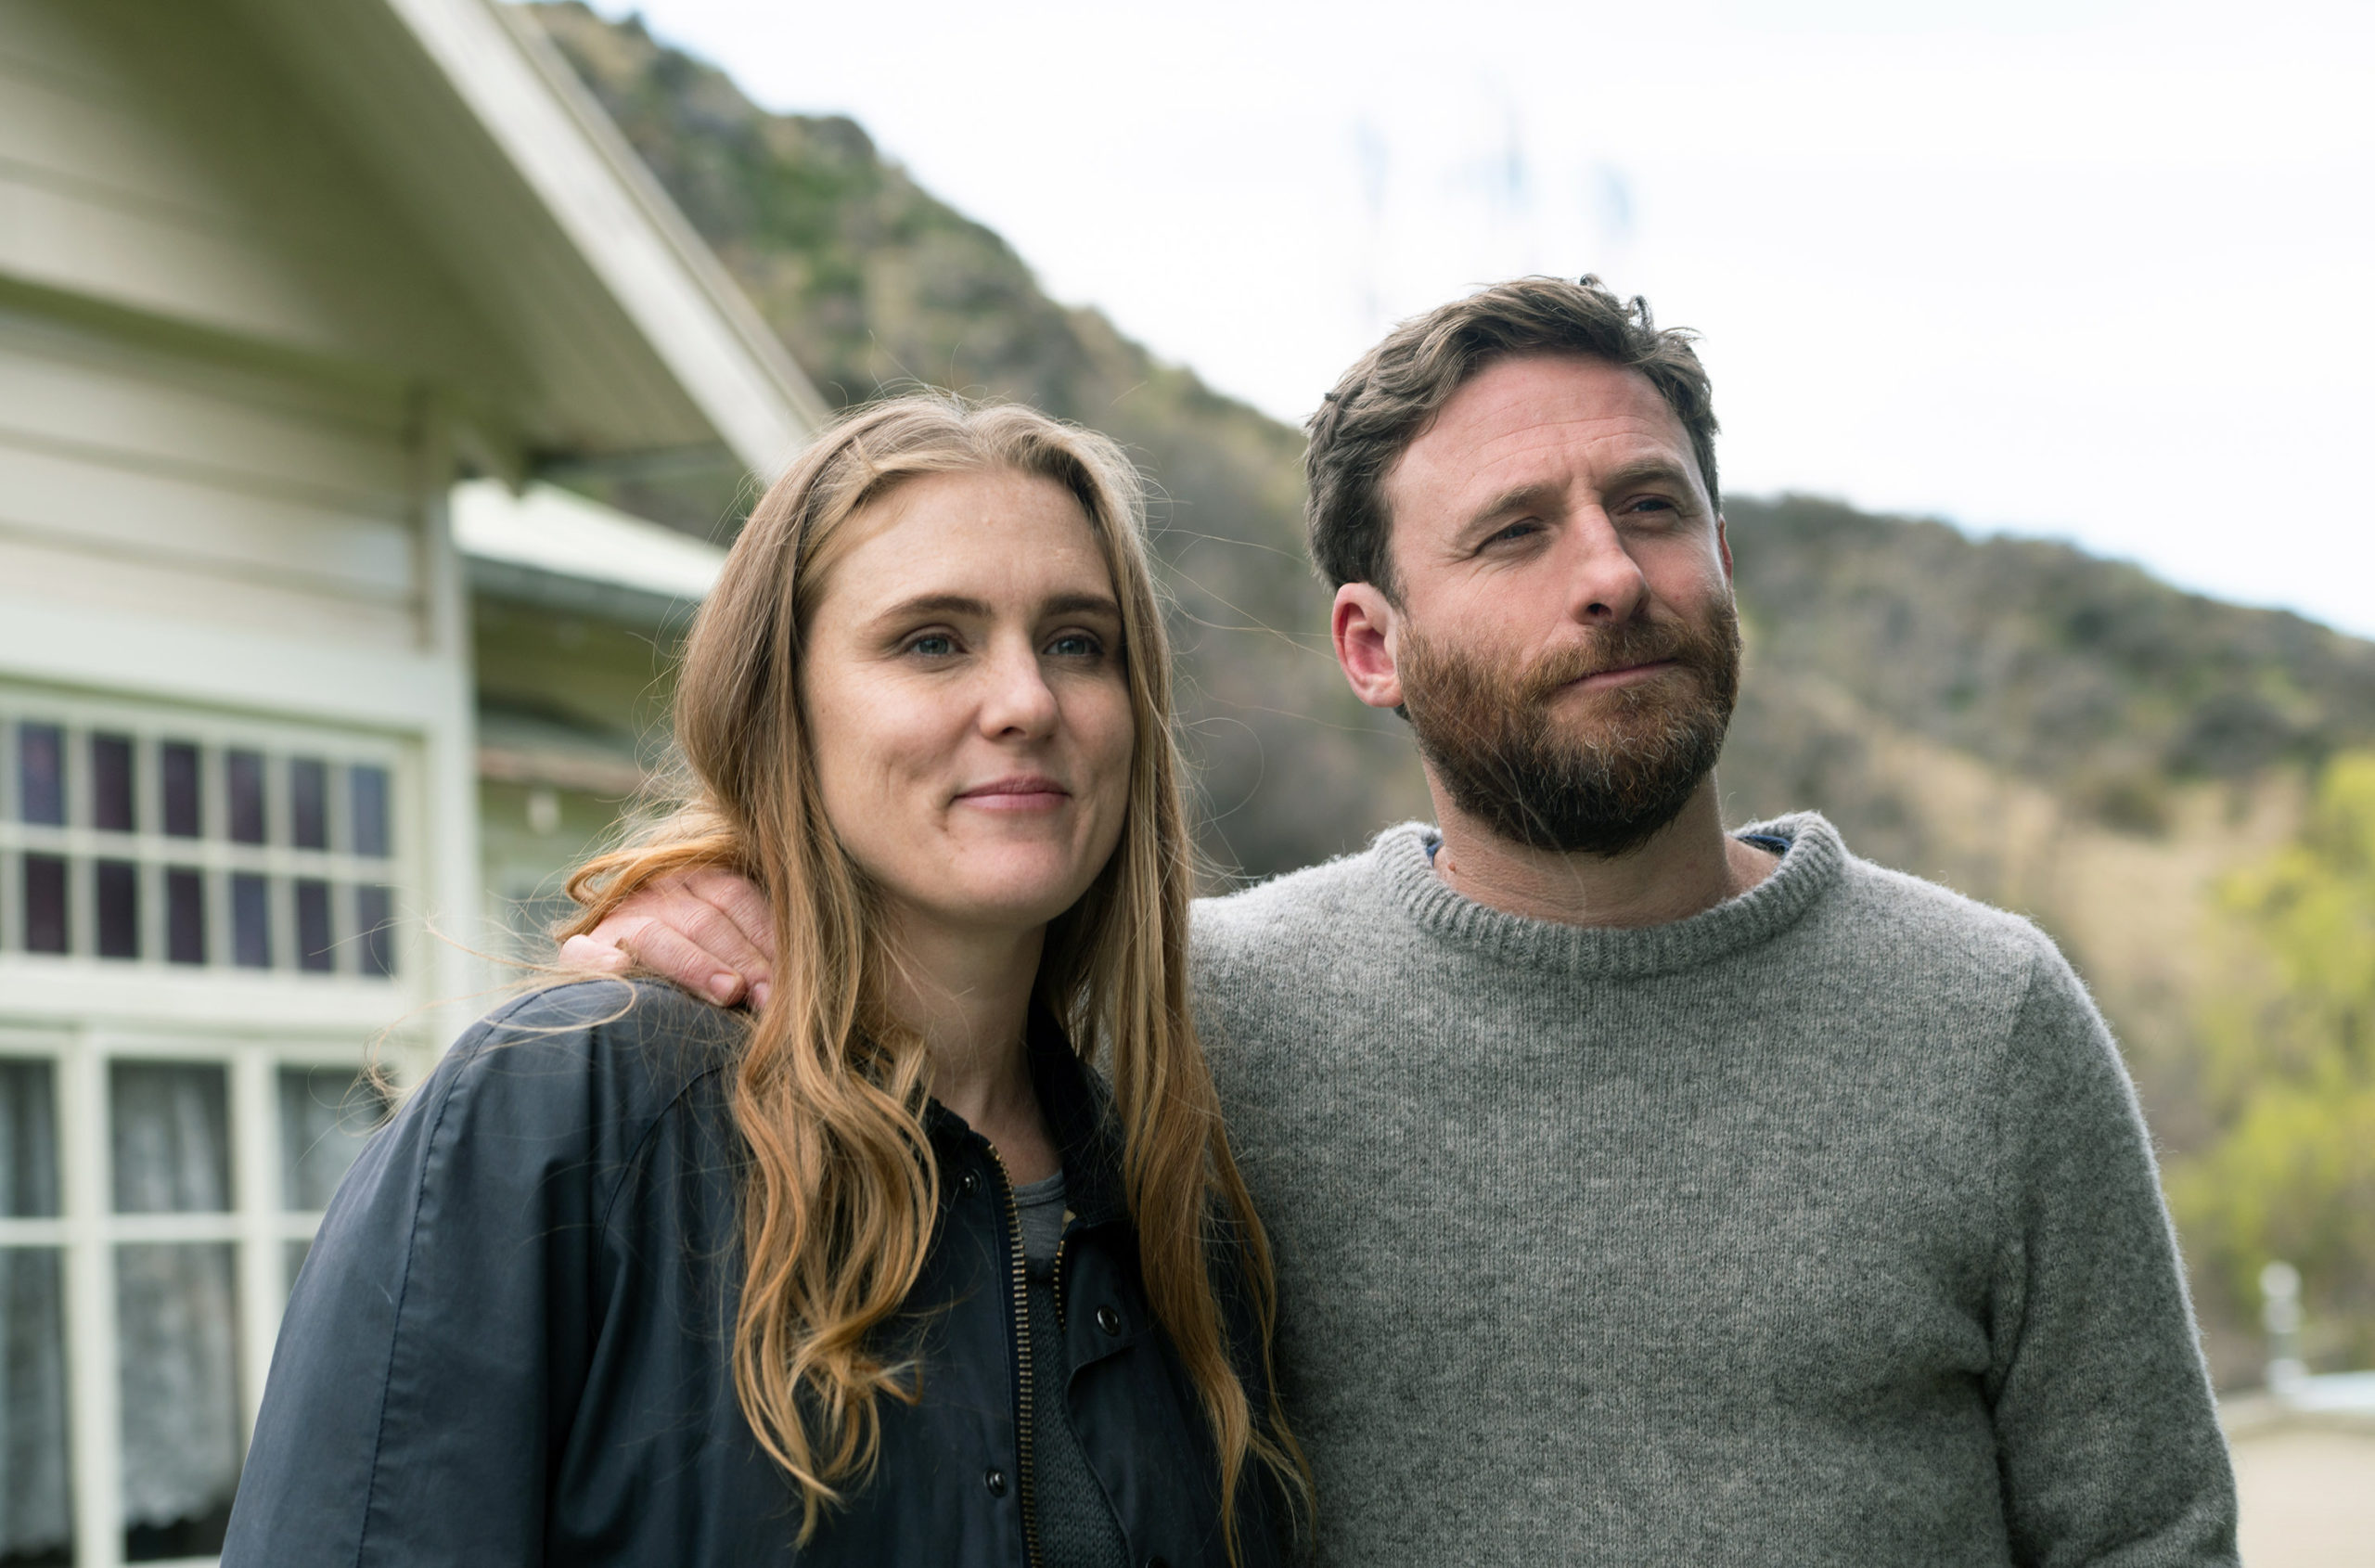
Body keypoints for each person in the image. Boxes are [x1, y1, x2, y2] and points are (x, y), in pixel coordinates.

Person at [570, 278, 2240, 1565]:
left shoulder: (1986, 1019)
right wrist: (716, 906)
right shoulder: (1194, 1024)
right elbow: (920, 990)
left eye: (1654, 508)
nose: (1611, 574)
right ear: (1371, 646)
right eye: (1516, 533)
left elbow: (2151, 1538)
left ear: (1725, 559)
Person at [224, 396, 1308, 1566]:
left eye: (1077, 642)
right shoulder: (568, 1114)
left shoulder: (1178, 1214)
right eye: (932, 641)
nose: (1026, 702)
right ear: (778, 707)